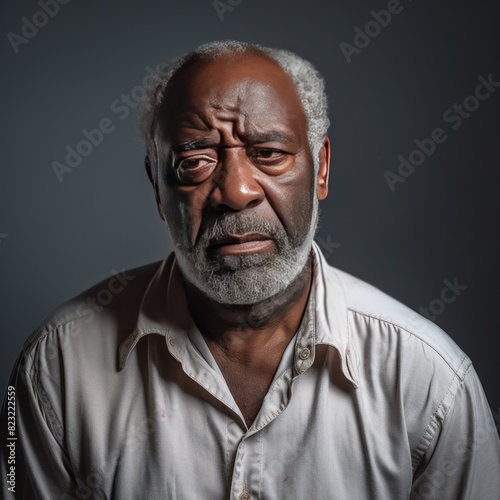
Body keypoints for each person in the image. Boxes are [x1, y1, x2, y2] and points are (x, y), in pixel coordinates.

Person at [1, 40, 499, 500]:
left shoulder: (430, 384)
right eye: (194, 161)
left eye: (269, 154)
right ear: (157, 184)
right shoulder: (56, 371)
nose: (236, 191)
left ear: (321, 169)